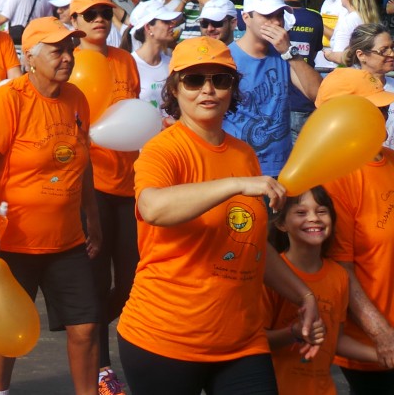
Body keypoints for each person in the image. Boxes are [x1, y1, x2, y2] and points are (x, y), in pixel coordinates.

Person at [118, 36, 323, 395]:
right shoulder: (162, 150)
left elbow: (251, 244)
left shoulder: (243, 154)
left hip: (241, 343)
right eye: (194, 80)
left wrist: (304, 296)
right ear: (174, 88)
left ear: (233, 88)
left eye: (221, 79)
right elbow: (152, 208)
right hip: (164, 339)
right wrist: (235, 186)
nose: (208, 89)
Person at [0, 16, 102, 394]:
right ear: (29, 56)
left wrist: (94, 219)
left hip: (67, 241)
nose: (67, 57)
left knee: (87, 326)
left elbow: (82, 162)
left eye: (70, 49)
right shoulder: (9, 100)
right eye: (57, 50)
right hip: (13, 242)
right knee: (5, 331)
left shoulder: (77, 99)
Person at [69, 0, 141, 394]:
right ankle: (101, 368)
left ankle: (90, 327)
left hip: (130, 183)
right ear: (75, 22)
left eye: (104, 12)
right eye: (90, 13)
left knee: (130, 281)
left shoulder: (126, 60)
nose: (99, 18)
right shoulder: (70, 62)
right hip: (89, 186)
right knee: (96, 278)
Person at [315, 67, 394, 394]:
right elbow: (339, 268)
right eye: (374, 109)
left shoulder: (390, 159)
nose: (385, 114)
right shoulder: (334, 178)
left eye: (385, 107)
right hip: (375, 347)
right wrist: (382, 334)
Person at [264, 187, 378, 395]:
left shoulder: (339, 276)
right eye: (301, 212)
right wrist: (294, 332)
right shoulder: (272, 276)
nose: (314, 218)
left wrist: (382, 354)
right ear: (281, 223)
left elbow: (336, 340)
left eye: (322, 211)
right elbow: (255, 341)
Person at [223, 0, 321, 178]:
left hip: (281, 170)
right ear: (246, 18)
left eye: (279, 15)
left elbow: (318, 93)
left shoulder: (284, 56)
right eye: (267, 16)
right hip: (238, 169)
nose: (275, 22)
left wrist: (290, 53)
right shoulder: (225, 58)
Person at [273, 0, 324, 141]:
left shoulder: (269, 18)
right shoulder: (315, 18)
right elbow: (315, 51)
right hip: (306, 101)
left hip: (279, 102)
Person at [342, 23, 394, 147]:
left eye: (392, 47)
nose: (391, 54)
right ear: (361, 55)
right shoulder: (346, 88)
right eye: (383, 50)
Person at [129, 1, 182, 114]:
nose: (172, 25)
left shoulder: (172, 64)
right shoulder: (129, 64)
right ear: (148, 28)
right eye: (165, 21)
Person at [323, 0, 381, 65]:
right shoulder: (375, 20)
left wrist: (328, 55)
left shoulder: (349, 21)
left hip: (350, 74)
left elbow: (341, 57)